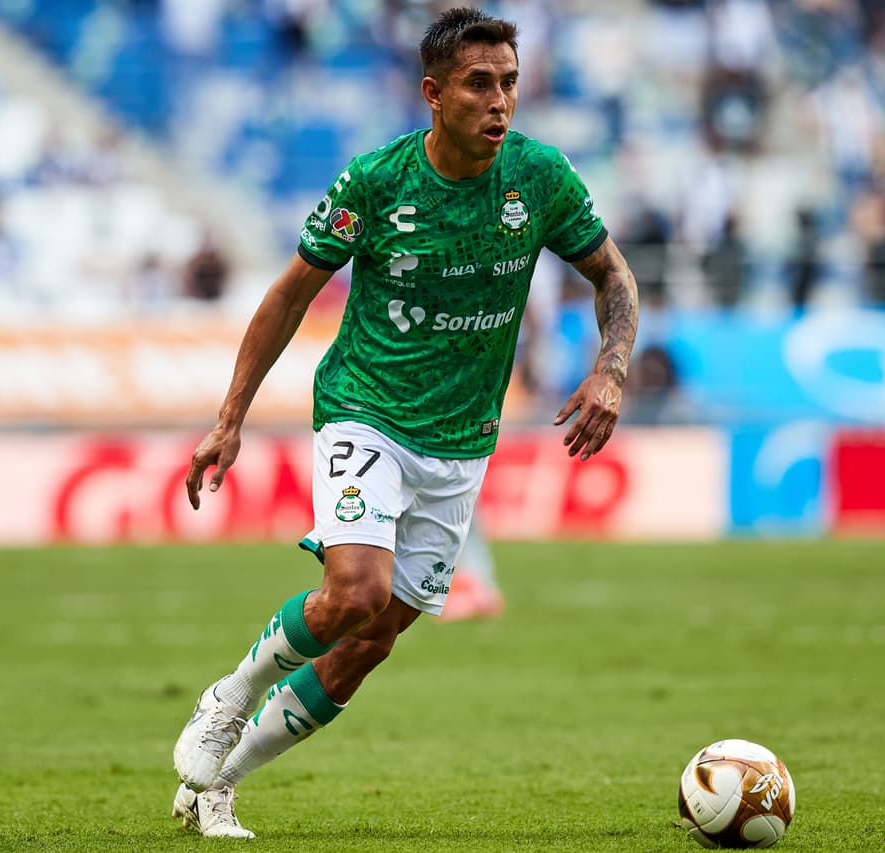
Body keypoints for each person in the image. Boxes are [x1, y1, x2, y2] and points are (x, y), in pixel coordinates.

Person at [170, 7, 639, 839]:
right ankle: (227, 697)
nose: (500, 103)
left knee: (372, 640)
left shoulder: (541, 178)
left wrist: (609, 367)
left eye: (510, 84)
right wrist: (229, 418)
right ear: (432, 93)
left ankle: (222, 783)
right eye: (479, 84)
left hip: (461, 443)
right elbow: (287, 295)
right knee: (357, 590)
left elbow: (614, 276)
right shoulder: (377, 182)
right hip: (367, 407)